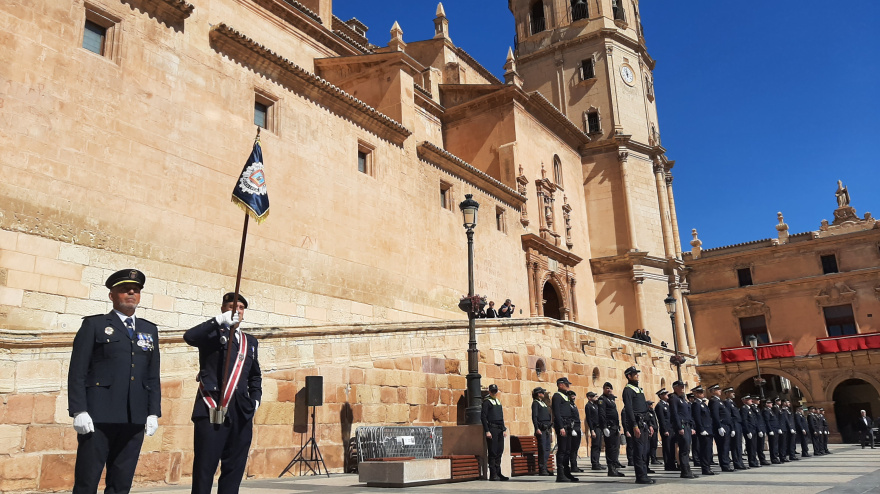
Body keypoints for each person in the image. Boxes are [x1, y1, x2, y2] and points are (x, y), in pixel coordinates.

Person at [68, 269, 161, 494]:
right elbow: (78, 371)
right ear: (112, 295)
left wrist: (152, 412)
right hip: (98, 414)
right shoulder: (95, 325)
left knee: (121, 482)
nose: (131, 293)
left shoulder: (149, 330)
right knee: (87, 480)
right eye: (125, 289)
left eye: (136, 290)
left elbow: (152, 375)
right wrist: (79, 410)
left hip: (134, 416)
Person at [185, 292, 262, 494]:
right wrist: (218, 322)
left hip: (241, 411)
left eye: (240, 308)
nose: (236, 310)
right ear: (223, 309)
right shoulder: (211, 334)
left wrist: (255, 401)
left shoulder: (250, 342)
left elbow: (255, 376)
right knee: (205, 467)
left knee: (234, 468)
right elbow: (189, 337)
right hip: (212, 406)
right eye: (231, 306)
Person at [621, 366, 654, 484]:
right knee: (639, 450)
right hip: (637, 423)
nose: (637, 375)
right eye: (635, 374)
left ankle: (645, 474)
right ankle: (640, 476)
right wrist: (634, 425)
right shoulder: (628, 390)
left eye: (637, 374)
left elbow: (645, 408)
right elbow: (629, 409)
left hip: (644, 423)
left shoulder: (639, 389)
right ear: (629, 376)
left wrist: (650, 424)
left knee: (645, 450)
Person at [552, 377, 579, 482]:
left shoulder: (566, 396)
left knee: (568, 450)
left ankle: (567, 473)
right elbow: (557, 413)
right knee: (562, 450)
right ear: (560, 385)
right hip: (562, 426)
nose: (568, 386)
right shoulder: (557, 396)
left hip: (568, 426)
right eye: (567, 384)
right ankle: (560, 474)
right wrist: (561, 427)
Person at [668, 381, 697, 479]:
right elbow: (675, 414)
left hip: (688, 425)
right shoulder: (674, 398)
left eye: (683, 387)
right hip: (682, 426)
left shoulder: (683, 399)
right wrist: (679, 427)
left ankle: (688, 470)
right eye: (680, 387)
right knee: (683, 449)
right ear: (675, 387)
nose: (682, 388)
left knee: (687, 449)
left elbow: (689, 414)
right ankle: (684, 471)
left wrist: (692, 426)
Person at [481, 384, 508, 481]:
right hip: (492, 428)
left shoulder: (497, 401)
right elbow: (483, 417)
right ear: (489, 391)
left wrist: (504, 428)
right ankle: (493, 474)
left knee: (499, 451)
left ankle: (498, 472)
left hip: (500, 429)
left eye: (495, 391)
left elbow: (501, 416)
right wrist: (487, 431)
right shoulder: (487, 402)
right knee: (492, 451)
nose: (494, 392)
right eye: (492, 391)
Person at [597, 382, 625, 477]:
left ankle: (614, 467)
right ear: (604, 389)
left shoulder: (611, 399)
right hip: (609, 427)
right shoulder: (602, 399)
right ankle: (611, 469)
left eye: (610, 388)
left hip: (614, 427)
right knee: (610, 448)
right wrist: (604, 427)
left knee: (615, 448)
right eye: (607, 388)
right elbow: (602, 414)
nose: (609, 390)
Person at [707, 384, 733, 472]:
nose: (720, 391)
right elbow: (715, 415)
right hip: (721, 426)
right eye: (717, 389)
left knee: (726, 446)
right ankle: (725, 465)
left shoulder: (719, 401)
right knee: (723, 447)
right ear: (713, 391)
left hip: (726, 425)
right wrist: (719, 426)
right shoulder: (714, 401)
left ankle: (726, 463)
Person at [691, 386, 714, 476]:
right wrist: (701, 429)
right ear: (696, 394)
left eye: (702, 392)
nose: (702, 394)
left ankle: (708, 466)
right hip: (703, 429)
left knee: (708, 449)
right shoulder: (696, 404)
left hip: (708, 429)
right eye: (700, 393)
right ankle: (705, 468)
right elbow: (697, 418)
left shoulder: (703, 404)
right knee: (704, 449)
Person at [723, 387, 747, 470]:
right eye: (731, 392)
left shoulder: (732, 402)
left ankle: (740, 462)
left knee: (739, 444)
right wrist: (732, 428)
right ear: (726, 393)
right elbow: (729, 416)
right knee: (735, 445)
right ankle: (737, 462)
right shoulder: (726, 403)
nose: (733, 393)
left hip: (738, 424)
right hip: (734, 424)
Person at [531, 387, 552, 475]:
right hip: (541, 429)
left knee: (547, 448)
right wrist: (537, 428)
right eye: (542, 392)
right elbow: (534, 417)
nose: (543, 394)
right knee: (542, 449)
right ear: (538, 394)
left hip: (547, 429)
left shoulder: (542, 403)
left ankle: (545, 466)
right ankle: (541, 468)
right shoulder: (535, 403)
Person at [655, 389, 676, 471]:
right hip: (666, 429)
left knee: (671, 447)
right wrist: (664, 430)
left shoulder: (668, 405)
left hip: (671, 428)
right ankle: (668, 465)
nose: (667, 396)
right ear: (661, 396)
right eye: (665, 394)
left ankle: (672, 464)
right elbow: (662, 419)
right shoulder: (659, 406)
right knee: (667, 447)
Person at [584, 391, 604, 470]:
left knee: (599, 445)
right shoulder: (588, 406)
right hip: (594, 428)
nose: (595, 397)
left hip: (599, 427)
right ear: (589, 398)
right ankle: (594, 463)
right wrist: (592, 430)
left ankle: (597, 462)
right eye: (593, 396)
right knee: (595, 445)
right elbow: (589, 419)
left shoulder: (596, 405)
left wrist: (599, 398)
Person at [567, 390, 584, 472]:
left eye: (574, 396)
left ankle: (575, 465)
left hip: (577, 427)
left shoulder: (574, 405)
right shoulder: (568, 405)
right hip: (572, 428)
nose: (573, 398)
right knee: (572, 448)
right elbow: (570, 417)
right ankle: (572, 466)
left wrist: (579, 428)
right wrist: (572, 429)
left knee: (575, 448)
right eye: (572, 396)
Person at [740, 395, 760, 468]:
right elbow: (744, 420)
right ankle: (752, 461)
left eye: (751, 399)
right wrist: (748, 431)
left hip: (753, 429)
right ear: (744, 401)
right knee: (750, 447)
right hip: (749, 430)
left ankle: (754, 460)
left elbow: (754, 420)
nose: (751, 400)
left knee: (754, 446)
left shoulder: (750, 408)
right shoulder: (744, 409)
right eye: (748, 399)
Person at [646, 400, 661, 465]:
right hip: (651, 431)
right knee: (651, 445)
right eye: (650, 404)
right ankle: (652, 458)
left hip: (655, 430)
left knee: (654, 445)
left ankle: (654, 458)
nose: (652, 406)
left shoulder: (653, 412)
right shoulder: (647, 412)